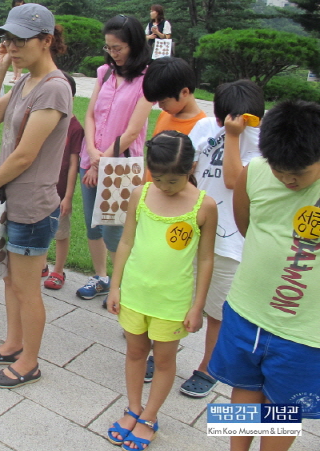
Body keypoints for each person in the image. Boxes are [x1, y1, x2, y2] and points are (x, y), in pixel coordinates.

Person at [209, 100, 320, 450]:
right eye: (279, 170)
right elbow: (246, 226)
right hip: (246, 311)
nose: (288, 179)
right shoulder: (254, 171)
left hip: (303, 332)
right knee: (243, 385)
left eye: (299, 173)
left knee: (283, 405)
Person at [0, 3, 71, 388]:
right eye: (8, 40)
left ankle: (29, 362)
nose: (12, 47)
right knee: (12, 281)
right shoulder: (25, 81)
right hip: (11, 200)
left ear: (46, 41)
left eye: (20, 40)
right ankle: (13, 344)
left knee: (28, 289)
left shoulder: (54, 88)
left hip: (32, 207)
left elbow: (25, 155)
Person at [105, 131, 217, 450]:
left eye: (174, 180)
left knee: (165, 361)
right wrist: (115, 286)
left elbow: (206, 259)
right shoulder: (140, 194)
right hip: (135, 293)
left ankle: (149, 417)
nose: (165, 187)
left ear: (191, 168)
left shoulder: (204, 206)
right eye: (159, 179)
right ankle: (133, 408)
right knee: (135, 352)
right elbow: (126, 242)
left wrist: (197, 306)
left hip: (172, 301)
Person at [176, 80, 264, 399]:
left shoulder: (260, 140)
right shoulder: (204, 127)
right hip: (193, 231)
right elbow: (185, 168)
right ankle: (163, 352)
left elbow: (233, 180)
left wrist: (233, 136)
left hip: (230, 242)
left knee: (217, 310)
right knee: (176, 298)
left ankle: (208, 367)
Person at [76, 15, 152, 302]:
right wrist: (92, 153)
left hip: (121, 166)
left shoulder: (147, 79)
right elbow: (90, 114)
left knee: (115, 229)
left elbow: (132, 131)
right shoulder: (105, 72)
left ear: (134, 45)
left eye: (118, 48)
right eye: (108, 47)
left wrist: (101, 161)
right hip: (90, 159)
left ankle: (123, 286)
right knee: (92, 224)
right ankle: (101, 278)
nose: (113, 53)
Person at [43, 72, 84, 290]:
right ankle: (41, 264)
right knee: (41, 228)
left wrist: (68, 197)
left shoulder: (75, 128)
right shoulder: (45, 120)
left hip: (59, 192)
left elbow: (74, 165)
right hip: (43, 188)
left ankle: (58, 270)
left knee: (60, 232)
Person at [142, 56, 205, 182]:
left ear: (184, 92)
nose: (160, 106)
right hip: (150, 190)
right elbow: (151, 162)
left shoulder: (202, 127)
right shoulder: (164, 116)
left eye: (163, 101)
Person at [9, 0, 25, 84]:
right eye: (17, 5)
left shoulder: (25, 12)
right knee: (13, 55)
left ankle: (19, 75)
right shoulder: (12, 12)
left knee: (20, 54)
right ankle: (14, 75)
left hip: (21, 34)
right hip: (13, 33)